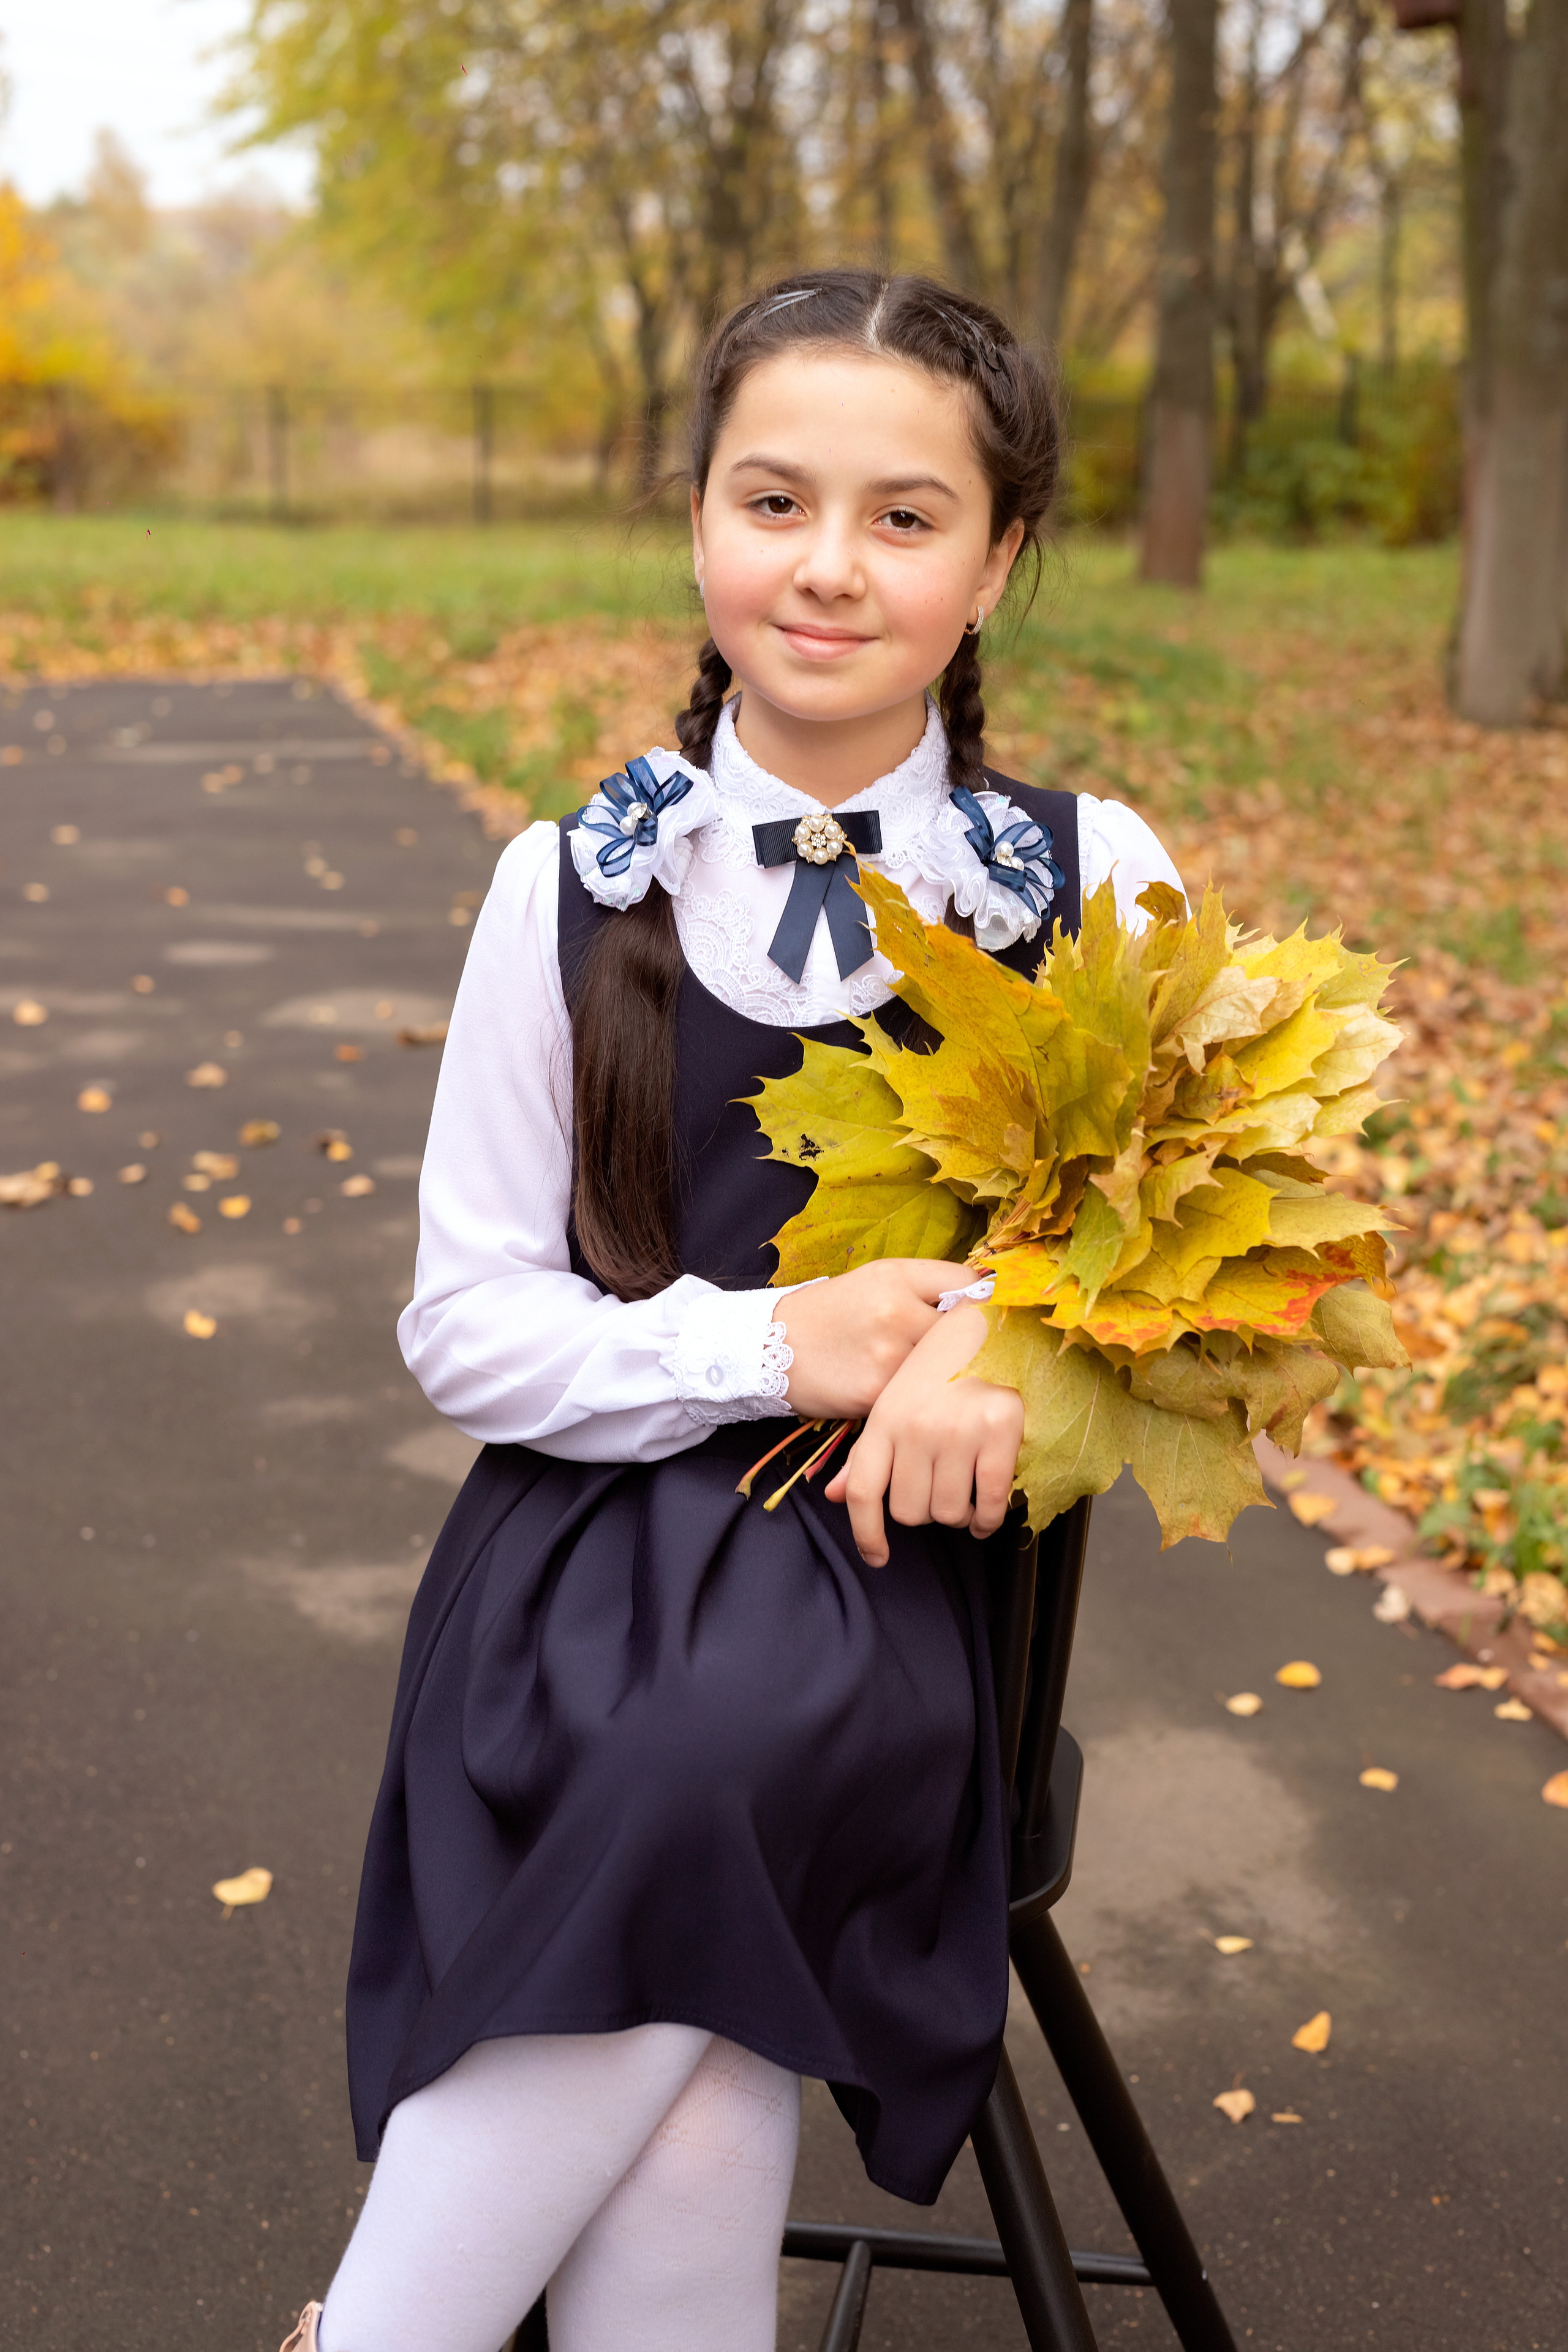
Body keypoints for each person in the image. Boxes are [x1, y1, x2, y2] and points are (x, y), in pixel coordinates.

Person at [281, 267, 1183, 2352]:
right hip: (578, 1566)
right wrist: (773, 1343)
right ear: (698, 520)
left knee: (727, 1750)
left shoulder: (1086, 879)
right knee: (692, 1894)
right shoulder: (574, 885)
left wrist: (1003, 1328)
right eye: (775, 502)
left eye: (905, 516)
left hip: (906, 1582)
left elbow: (1213, 1242)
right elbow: (468, 1330)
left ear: (1000, 557)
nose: (831, 570)